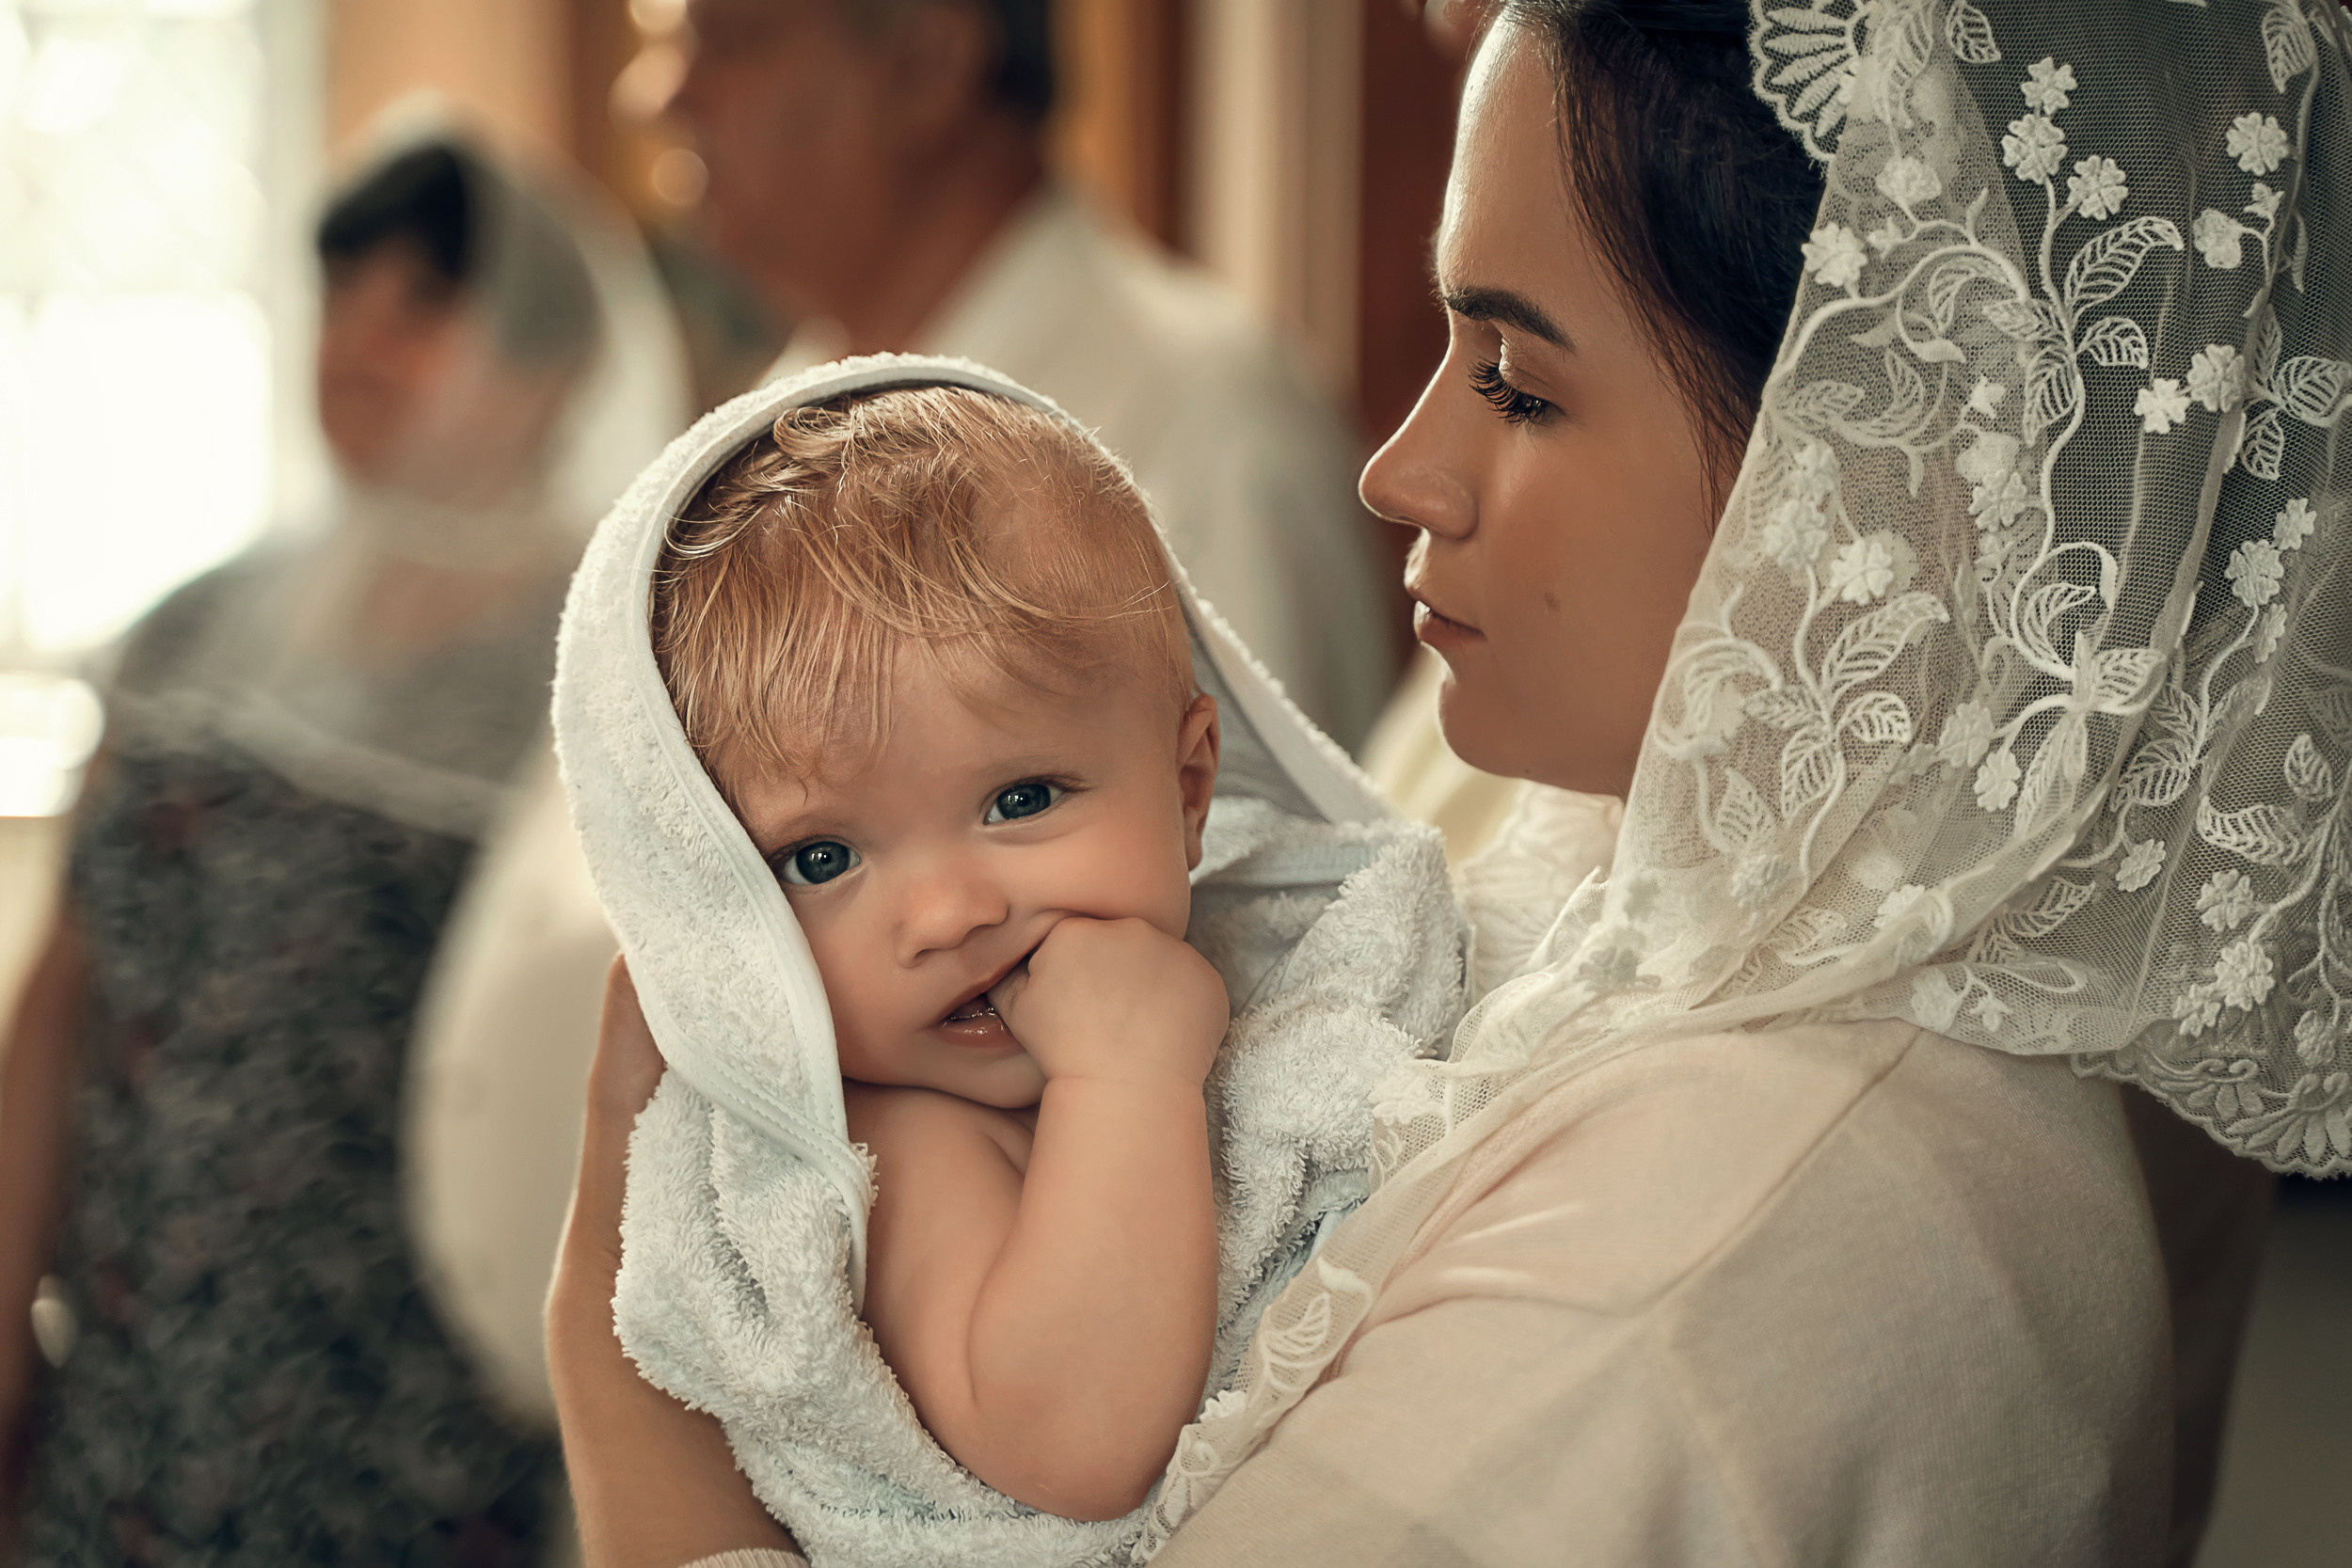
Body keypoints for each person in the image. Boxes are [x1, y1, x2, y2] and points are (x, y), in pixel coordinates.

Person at [549, 0, 2350, 1562]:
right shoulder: (1634, 859)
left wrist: (617, 1386)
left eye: (1517, 379)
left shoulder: (1711, 1255)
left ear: (1876, 454)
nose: (1399, 468)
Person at [555, 361, 1464, 1564]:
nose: (945, 912)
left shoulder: (1298, 968)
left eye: (1019, 797)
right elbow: (1077, 1443)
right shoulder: (888, 1143)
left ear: (1191, 787)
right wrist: (1124, 1077)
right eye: (820, 856)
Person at [0, 132, 686, 1562]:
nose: (358, 341)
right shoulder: (194, 620)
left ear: (549, 363)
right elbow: (65, 992)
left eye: (420, 303)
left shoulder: (618, 664)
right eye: (339, 292)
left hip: (405, 1404)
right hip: (130, 1381)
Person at [666, 0, 1397, 749]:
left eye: (726, 40)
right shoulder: (768, 427)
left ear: (927, 63)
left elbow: (1255, 851)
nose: (658, 95)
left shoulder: (1210, 425)